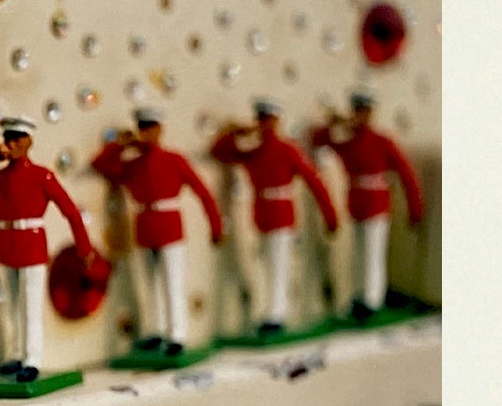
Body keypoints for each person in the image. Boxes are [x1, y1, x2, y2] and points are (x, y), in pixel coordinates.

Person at [0, 116, 100, 382]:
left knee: (30, 303)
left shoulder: (41, 175)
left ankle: (32, 359)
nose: (12, 144)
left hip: (32, 242)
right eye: (8, 139)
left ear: (29, 141)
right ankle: (17, 354)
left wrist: (84, 247)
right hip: (8, 243)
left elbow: (69, 211)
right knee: (12, 303)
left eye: (17, 139)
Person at [93, 106, 224, 356]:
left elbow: (203, 192)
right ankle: (157, 330)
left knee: (172, 281)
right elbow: (101, 165)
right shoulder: (133, 163)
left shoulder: (174, 159)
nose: (146, 133)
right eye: (142, 128)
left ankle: (177, 334)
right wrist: (120, 145)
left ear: (160, 129)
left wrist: (215, 225)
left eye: (150, 128)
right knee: (151, 283)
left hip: (169, 226)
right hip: (145, 226)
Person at [210, 98, 339, 336]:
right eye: (260, 119)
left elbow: (314, 181)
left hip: (282, 212)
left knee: (279, 264)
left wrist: (329, 214)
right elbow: (219, 151)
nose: (264, 124)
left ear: (277, 121)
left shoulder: (287, 149)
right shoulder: (252, 149)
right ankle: (267, 311)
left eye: (268, 119)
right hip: (262, 213)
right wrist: (236, 132)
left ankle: (277, 314)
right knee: (263, 264)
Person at [310, 87, 425, 320]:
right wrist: (337, 124)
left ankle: (373, 299)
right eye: (357, 111)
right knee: (357, 253)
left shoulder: (382, 141)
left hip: (376, 203)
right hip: (357, 204)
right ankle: (360, 296)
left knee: (374, 252)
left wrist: (415, 207)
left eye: (364, 111)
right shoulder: (348, 141)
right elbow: (318, 139)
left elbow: (406, 174)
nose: (361, 115)